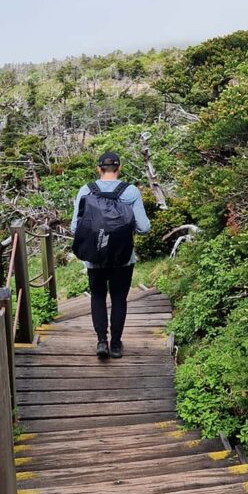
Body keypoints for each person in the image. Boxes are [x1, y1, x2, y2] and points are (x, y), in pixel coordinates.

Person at [71, 151, 151, 359]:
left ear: (99, 169)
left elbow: (74, 227)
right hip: (123, 257)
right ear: (119, 168)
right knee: (119, 299)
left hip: (94, 257)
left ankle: (101, 342)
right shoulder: (130, 191)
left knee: (97, 297)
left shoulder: (86, 190)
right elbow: (144, 227)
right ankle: (116, 345)